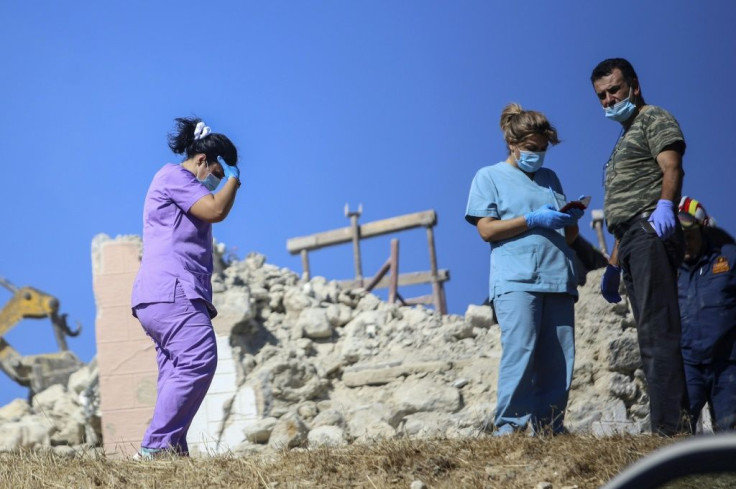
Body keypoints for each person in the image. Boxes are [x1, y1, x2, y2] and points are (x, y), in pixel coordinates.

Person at [465, 103, 583, 436]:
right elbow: (487, 230)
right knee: (521, 353)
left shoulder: (550, 179)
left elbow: (568, 237)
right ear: (513, 143)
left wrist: (569, 220)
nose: (539, 155)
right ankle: (510, 431)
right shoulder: (488, 177)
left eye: (543, 150)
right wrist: (531, 219)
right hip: (517, 280)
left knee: (559, 360)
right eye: (532, 149)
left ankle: (549, 430)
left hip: (558, 277)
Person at [130, 117, 242, 458]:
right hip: (172, 291)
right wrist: (234, 178)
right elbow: (215, 209)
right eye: (213, 167)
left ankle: (171, 454)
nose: (213, 176)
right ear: (203, 161)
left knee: (175, 372)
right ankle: (155, 447)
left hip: (160, 296)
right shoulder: (175, 177)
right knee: (199, 359)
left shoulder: (179, 183)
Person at [592, 57, 691, 435]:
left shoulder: (654, 118)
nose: (609, 100)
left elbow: (671, 167)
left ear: (633, 84)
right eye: (601, 96)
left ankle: (670, 430)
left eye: (614, 89)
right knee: (648, 332)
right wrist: (615, 263)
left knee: (658, 330)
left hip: (651, 232)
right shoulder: (623, 138)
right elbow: (623, 210)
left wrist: (666, 205)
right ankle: (669, 423)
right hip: (631, 240)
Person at [676, 196, 736, 431]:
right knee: (679, 429)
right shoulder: (670, 268)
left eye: (690, 237)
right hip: (688, 364)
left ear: (703, 231)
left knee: (730, 433)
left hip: (727, 364)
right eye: (680, 239)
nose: (686, 245)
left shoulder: (729, 258)